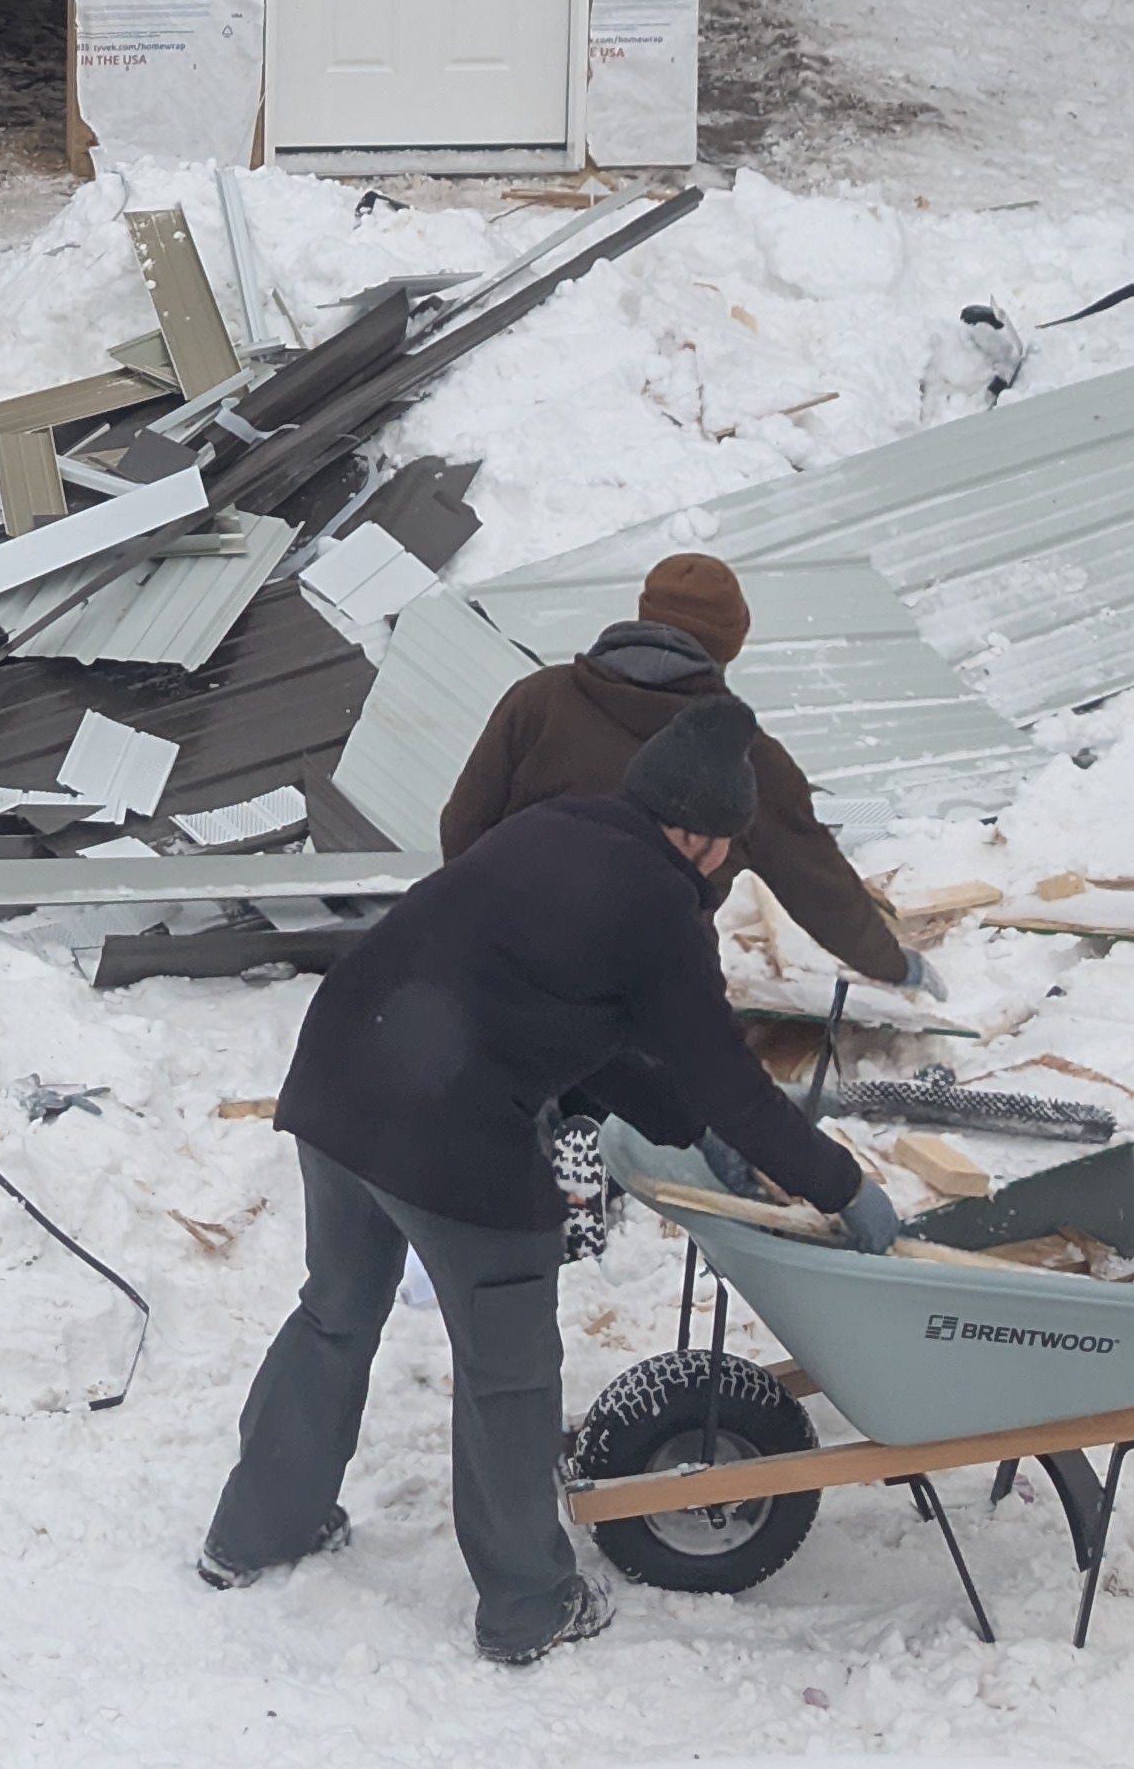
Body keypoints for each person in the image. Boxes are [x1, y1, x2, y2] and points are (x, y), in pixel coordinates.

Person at [198, 699, 895, 1664]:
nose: (730, 871)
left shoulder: (551, 830)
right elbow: (726, 1073)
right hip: (447, 1129)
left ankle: (254, 1532)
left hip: (340, 1082)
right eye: (730, 850)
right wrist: (837, 1183)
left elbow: (588, 1027)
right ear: (697, 834)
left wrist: (690, 1127)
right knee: (508, 1369)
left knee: (335, 1313)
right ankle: (530, 1603)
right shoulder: (658, 905)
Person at [440, 555, 933, 993]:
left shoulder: (539, 699)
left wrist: (490, 924)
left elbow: (464, 821)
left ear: (643, 614)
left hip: (514, 961)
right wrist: (892, 966)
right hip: (657, 990)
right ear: (731, 642)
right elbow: (814, 880)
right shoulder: (743, 756)